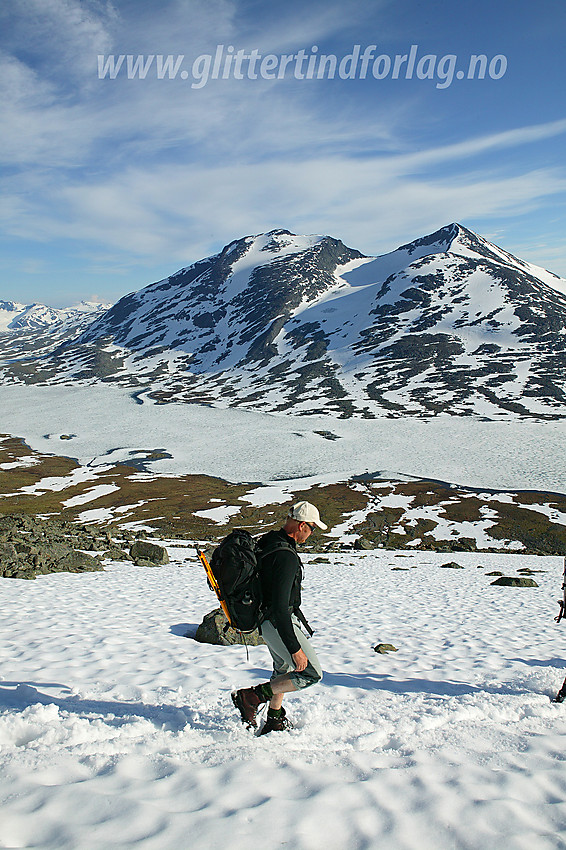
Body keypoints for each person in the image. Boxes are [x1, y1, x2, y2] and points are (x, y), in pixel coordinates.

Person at [231, 500, 326, 735]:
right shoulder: (286, 556)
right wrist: (294, 647)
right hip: (277, 623)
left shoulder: (269, 541)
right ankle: (252, 697)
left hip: (265, 622)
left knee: (282, 670)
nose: (311, 534)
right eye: (312, 528)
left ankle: (274, 719)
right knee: (310, 673)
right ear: (302, 525)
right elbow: (281, 607)